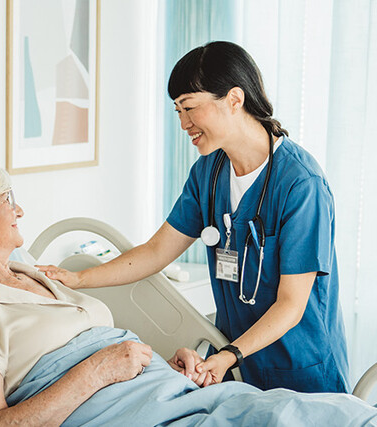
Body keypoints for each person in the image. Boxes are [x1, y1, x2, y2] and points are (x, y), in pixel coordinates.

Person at [0, 159, 376, 426]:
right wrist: (101, 369)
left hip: (172, 395)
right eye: (6, 199)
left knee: (334, 414)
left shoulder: (39, 276)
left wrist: (166, 367)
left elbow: (117, 359)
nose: (20, 208)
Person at [39, 41, 349, 393]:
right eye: (177, 111)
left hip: (300, 369)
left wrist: (230, 354)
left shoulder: (301, 184)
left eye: (189, 108)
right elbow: (156, 252)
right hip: (240, 370)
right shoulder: (209, 173)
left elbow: (292, 305)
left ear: (234, 99)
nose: (184, 123)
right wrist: (76, 280)